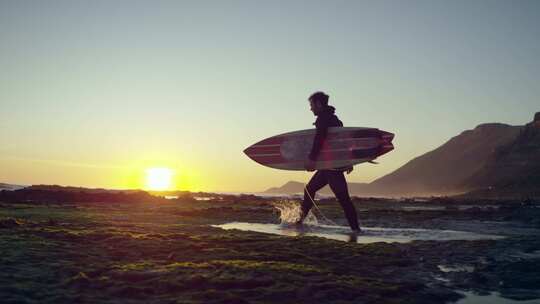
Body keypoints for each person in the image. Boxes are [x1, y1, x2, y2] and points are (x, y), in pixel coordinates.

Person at [297, 91, 361, 232]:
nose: (311, 108)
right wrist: (349, 160)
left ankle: (356, 230)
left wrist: (312, 159)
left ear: (318, 104)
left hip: (332, 168)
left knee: (343, 199)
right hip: (329, 165)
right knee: (310, 189)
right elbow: (343, 142)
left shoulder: (323, 119)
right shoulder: (335, 119)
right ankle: (299, 221)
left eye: (312, 105)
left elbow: (319, 139)